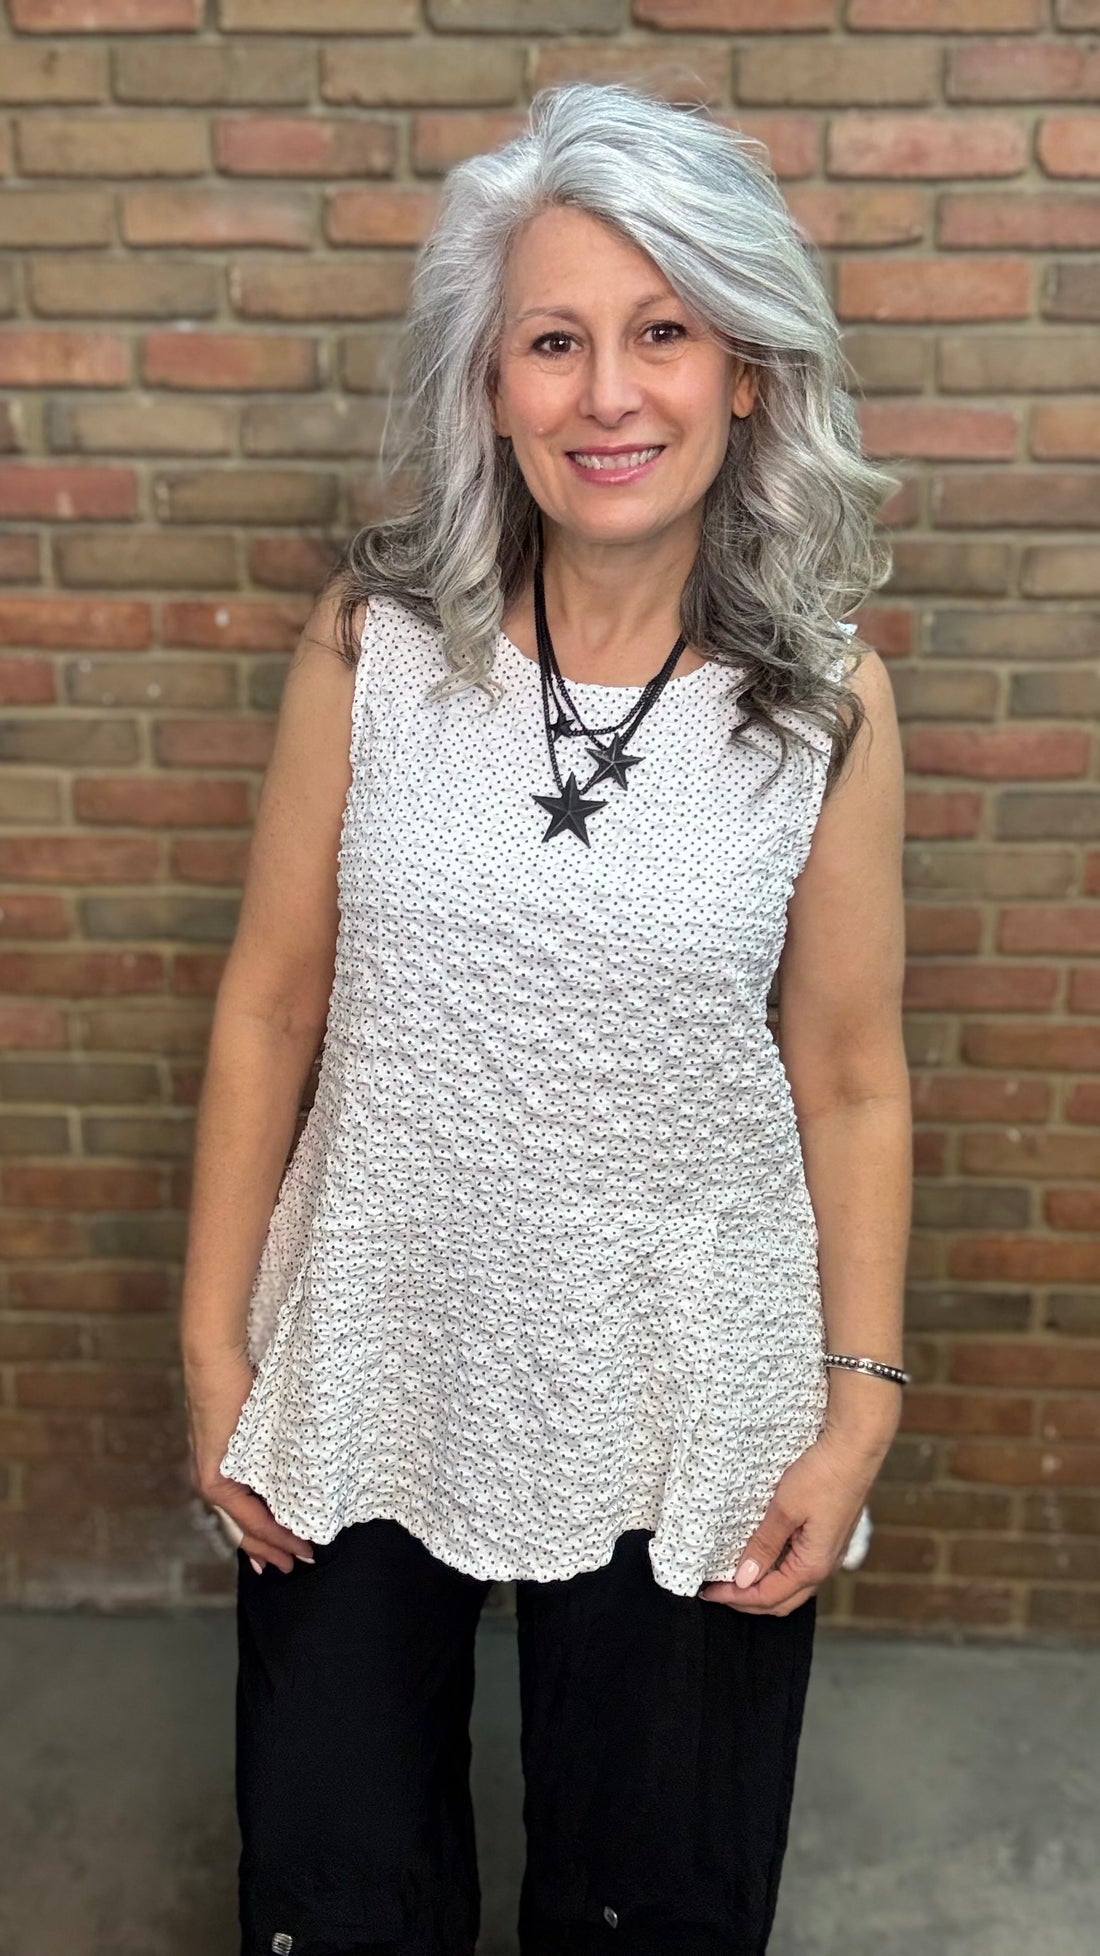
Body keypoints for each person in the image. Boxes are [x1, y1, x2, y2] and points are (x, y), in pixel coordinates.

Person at [182, 80, 912, 1956]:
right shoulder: (377, 649)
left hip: (690, 1376)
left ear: (746, 372)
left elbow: (845, 1075)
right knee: (338, 1889)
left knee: (648, 1903)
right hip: (367, 1338)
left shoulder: (821, 701)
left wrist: (857, 1414)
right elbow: (273, 1005)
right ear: (489, 382)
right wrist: (214, 1349)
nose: (611, 396)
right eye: (557, 341)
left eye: (665, 333)